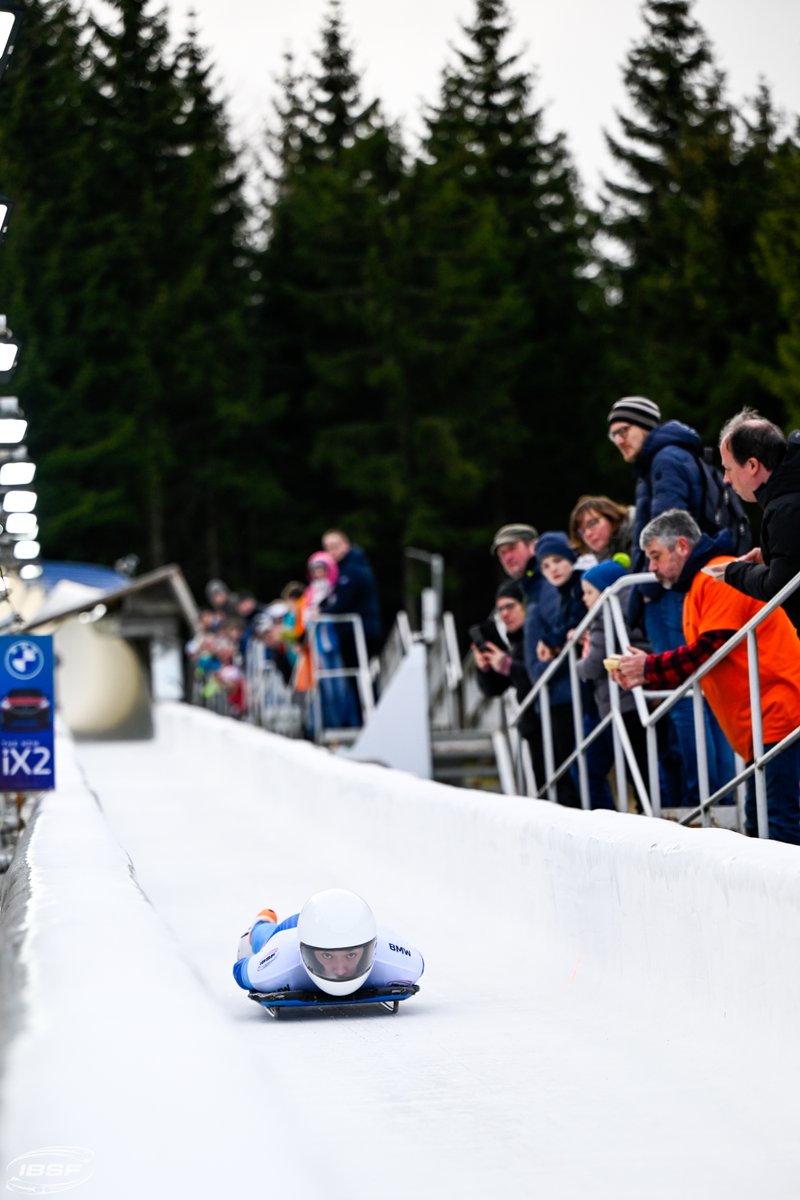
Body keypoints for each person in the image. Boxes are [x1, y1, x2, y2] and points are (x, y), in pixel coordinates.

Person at [614, 509, 799, 844]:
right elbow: (702, 660)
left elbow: (710, 649)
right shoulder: (702, 583)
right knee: (762, 828)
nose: (651, 567)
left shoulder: (719, 574)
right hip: (763, 725)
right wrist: (648, 672)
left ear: (681, 546)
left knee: (779, 827)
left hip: (780, 716)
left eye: (655, 556)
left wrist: (649, 670)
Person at [607, 395, 716, 806]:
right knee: (698, 694)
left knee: (684, 697)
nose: (617, 440)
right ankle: (710, 791)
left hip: (671, 593)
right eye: (612, 435)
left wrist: (648, 589)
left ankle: (701, 796)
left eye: (624, 431)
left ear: (645, 426)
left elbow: (666, 534)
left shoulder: (664, 460)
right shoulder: (673, 455)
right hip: (680, 588)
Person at [233, 888, 424, 997]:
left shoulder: (398, 960)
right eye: (327, 955)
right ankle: (261, 924)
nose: (340, 970)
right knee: (264, 938)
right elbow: (241, 971)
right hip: (293, 928)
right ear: (304, 950)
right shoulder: (282, 957)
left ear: (372, 948)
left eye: (351, 954)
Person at [575, 559, 649, 811]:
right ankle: (650, 805)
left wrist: (577, 665)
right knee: (645, 761)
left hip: (622, 699)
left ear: (606, 590)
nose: (584, 599)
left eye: (588, 592)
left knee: (637, 764)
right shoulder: (632, 609)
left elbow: (595, 662)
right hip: (633, 697)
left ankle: (648, 809)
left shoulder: (603, 615)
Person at [718, 409, 800, 635]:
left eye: (728, 468)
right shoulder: (789, 497)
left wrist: (734, 572)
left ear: (752, 465)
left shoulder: (784, 509)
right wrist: (771, 557)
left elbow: (780, 585)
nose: (725, 478)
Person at [523, 532, 584, 807]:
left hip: (575, 693)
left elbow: (576, 617)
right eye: (545, 566)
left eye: (558, 561)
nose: (553, 569)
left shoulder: (578, 585)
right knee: (578, 769)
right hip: (567, 693)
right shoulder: (559, 594)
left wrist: (552, 641)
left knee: (584, 768)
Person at [471, 580, 537, 743]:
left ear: (525, 605)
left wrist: (508, 666)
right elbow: (495, 689)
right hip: (531, 728)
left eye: (510, 606)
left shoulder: (536, 637)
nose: (504, 614)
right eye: (500, 609)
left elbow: (537, 678)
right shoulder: (515, 645)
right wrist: (484, 668)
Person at [321, 529, 383, 658]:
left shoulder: (352, 570)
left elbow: (343, 602)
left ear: (346, 545)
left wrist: (320, 614)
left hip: (360, 632)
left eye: (335, 546)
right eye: (327, 547)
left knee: (358, 672)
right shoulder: (342, 569)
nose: (331, 551)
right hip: (353, 632)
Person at [568, 495, 634, 564]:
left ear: (611, 517)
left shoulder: (639, 532)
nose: (588, 534)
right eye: (581, 531)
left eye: (592, 523)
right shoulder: (596, 562)